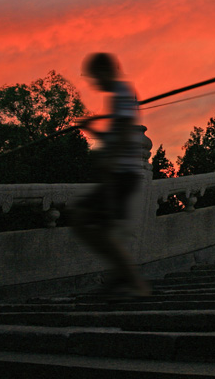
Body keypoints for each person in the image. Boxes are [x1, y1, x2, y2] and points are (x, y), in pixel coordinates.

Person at [70, 52, 151, 298]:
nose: (94, 83)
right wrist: (92, 129)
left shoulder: (123, 93)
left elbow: (126, 132)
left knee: (82, 218)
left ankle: (132, 281)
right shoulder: (118, 96)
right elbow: (115, 136)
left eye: (94, 77)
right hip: (120, 173)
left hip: (122, 174)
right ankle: (122, 277)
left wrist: (110, 162)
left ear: (105, 72)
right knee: (97, 226)